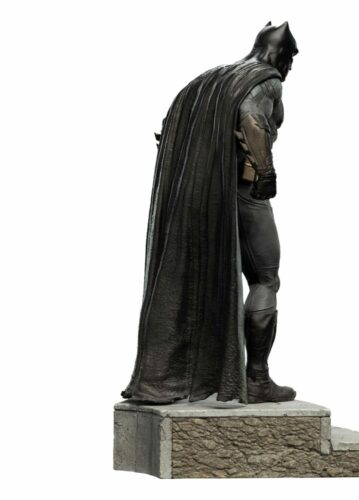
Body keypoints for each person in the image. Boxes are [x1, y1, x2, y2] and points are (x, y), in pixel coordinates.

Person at [122, 22, 299, 404]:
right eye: (291, 59)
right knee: (266, 278)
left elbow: (169, 131)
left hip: (199, 194)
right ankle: (257, 378)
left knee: (201, 277)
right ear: (283, 54)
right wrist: (265, 171)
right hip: (242, 190)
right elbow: (252, 118)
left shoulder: (207, 80)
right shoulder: (265, 80)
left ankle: (183, 376)